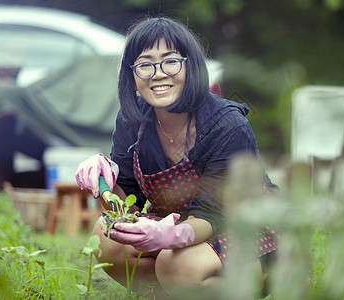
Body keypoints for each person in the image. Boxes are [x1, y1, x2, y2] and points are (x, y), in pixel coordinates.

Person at [75, 16, 279, 298]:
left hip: (239, 230)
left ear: (190, 66)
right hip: (179, 228)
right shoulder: (132, 121)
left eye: (170, 61)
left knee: (176, 264)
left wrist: (170, 236)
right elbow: (127, 202)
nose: (158, 74)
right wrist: (103, 180)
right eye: (145, 64)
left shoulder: (227, 125)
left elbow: (214, 214)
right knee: (105, 237)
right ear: (132, 75)